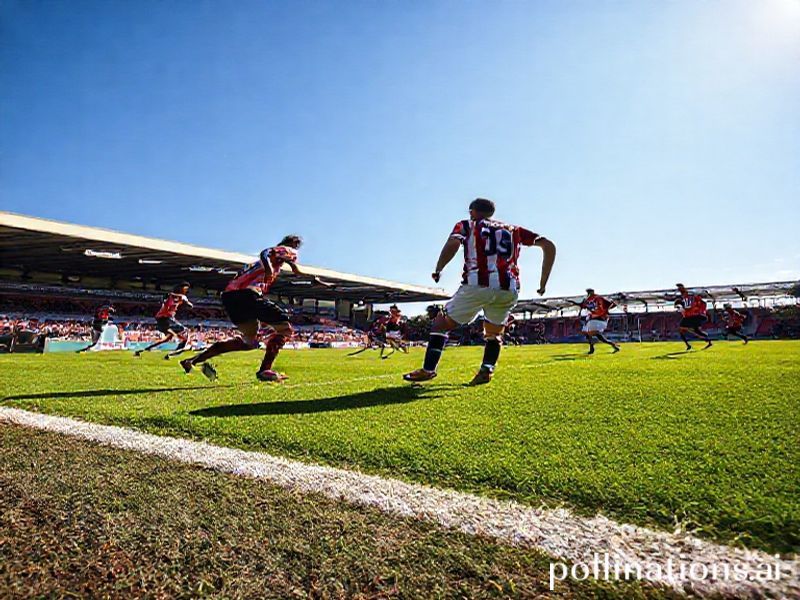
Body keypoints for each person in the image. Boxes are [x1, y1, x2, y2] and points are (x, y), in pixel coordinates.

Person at [404, 198, 556, 385]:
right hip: (508, 289)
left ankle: (428, 370)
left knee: (440, 325)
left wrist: (438, 268)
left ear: (472, 211)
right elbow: (548, 245)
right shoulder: (513, 230)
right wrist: (543, 283)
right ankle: (487, 369)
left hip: (477, 286)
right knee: (494, 333)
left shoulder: (467, 225)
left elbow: (453, 243)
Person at [180, 235, 331, 382]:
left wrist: (313, 279)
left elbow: (295, 271)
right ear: (294, 245)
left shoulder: (256, 264)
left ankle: (192, 360)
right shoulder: (286, 250)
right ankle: (265, 370)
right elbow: (266, 251)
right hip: (248, 294)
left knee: (249, 342)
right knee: (285, 329)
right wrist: (269, 269)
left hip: (229, 297)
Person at [134, 282, 193, 358]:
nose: (186, 291)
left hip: (164, 319)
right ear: (181, 288)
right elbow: (170, 299)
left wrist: (186, 302)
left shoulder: (179, 297)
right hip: (165, 318)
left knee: (167, 339)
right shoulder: (173, 296)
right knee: (185, 331)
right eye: (185, 289)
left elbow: (188, 304)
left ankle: (141, 351)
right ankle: (175, 353)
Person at [575, 289, 620, 354]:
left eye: (589, 292)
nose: (589, 294)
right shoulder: (587, 300)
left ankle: (592, 349)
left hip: (599, 319)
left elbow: (612, 304)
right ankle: (613, 346)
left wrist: (606, 310)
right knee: (597, 337)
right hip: (592, 319)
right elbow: (582, 306)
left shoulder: (599, 298)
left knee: (590, 334)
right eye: (588, 292)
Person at [674, 283, 712, 350]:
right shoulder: (686, 299)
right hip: (697, 316)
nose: (679, 290)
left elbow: (689, 308)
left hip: (694, 316)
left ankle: (690, 344)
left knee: (681, 328)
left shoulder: (688, 297)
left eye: (680, 288)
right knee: (696, 330)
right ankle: (708, 340)